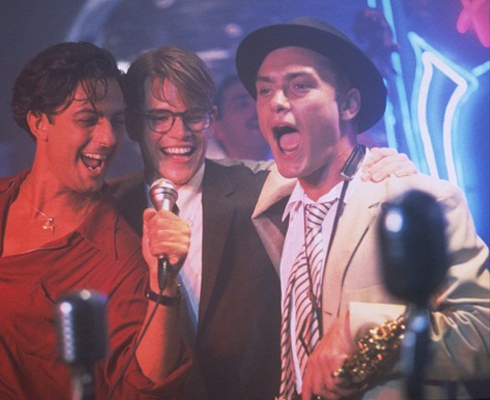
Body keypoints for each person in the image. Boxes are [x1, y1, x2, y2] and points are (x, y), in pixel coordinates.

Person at [109, 45, 416, 400]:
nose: (180, 133)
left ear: (211, 118)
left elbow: (331, 166)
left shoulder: (263, 187)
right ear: (134, 124)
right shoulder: (109, 206)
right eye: (160, 118)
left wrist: (381, 164)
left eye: (194, 116)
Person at [0, 42, 192, 400]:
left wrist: (164, 287)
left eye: (117, 121)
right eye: (88, 119)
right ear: (39, 122)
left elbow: (141, 385)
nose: (108, 138)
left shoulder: (117, 254)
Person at [235, 16, 490, 400]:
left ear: (349, 104)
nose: (277, 102)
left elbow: (482, 331)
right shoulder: (272, 200)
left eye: (300, 86)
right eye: (264, 90)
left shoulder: (420, 200)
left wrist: (364, 328)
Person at [206, 74, 271, 161]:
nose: (256, 109)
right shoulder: (202, 168)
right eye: (243, 104)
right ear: (217, 128)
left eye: (260, 101)